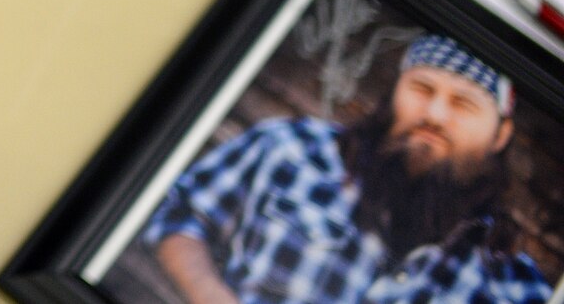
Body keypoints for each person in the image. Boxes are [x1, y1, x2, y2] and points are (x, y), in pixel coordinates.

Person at [145, 35, 552, 304]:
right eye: (422, 89)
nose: (434, 114)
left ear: (501, 135)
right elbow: (181, 214)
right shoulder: (289, 149)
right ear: (394, 93)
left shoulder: (514, 286)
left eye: (464, 104)